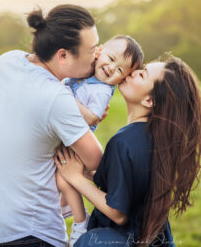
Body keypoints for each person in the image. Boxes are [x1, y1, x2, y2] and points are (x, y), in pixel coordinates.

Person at [0, 4, 105, 247]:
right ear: (63, 55)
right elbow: (96, 162)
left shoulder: (6, 62)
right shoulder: (56, 99)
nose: (98, 55)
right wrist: (91, 115)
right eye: (92, 50)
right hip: (27, 234)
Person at [54, 56, 201, 246]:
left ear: (149, 100)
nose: (132, 72)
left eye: (142, 74)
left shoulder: (124, 142)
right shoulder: (155, 139)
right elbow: (130, 187)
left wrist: (76, 178)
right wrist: (91, 174)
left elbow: (118, 213)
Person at [57, 35, 144, 246]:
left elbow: (93, 116)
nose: (112, 68)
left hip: (76, 141)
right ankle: (64, 209)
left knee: (62, 180)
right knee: (58, 182)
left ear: (121, 79)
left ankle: (79, 222)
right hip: (64, 132)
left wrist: (61, 95)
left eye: (120, 70)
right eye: (111, 58)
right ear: (100, 50)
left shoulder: (103, 90)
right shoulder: (88, 72)